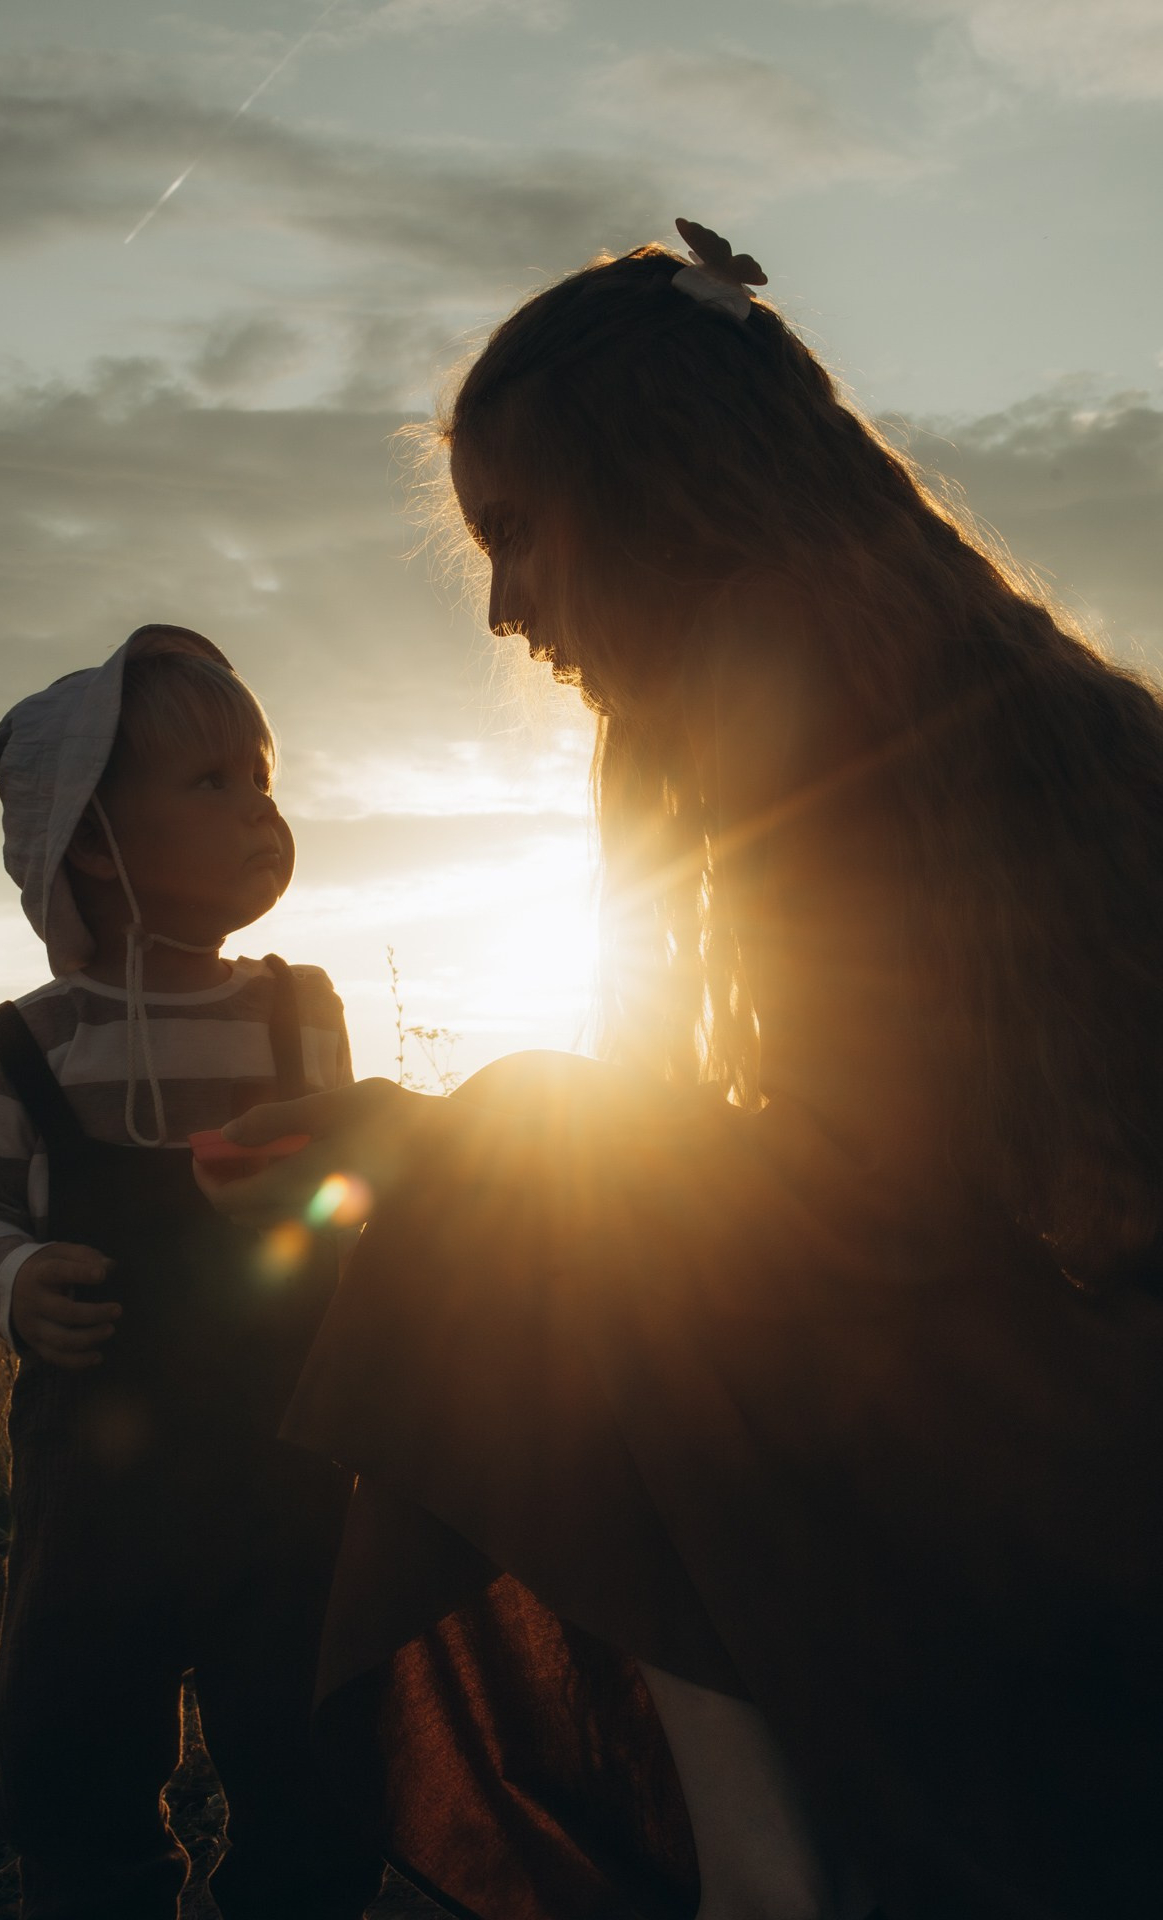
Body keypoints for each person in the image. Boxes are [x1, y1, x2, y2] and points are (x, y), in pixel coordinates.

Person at [206, 223, 1163, 1919]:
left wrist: (470, 1150)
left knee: (503, 1199)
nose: (503, 609)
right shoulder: (998, 673)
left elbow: (865, 1200)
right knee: (525, 1162)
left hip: (1052, 1464)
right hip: (1089, 1416)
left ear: (649, 485)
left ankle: (751, 1870)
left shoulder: (776, 665)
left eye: (516, 535)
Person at [0, 625, 380, 1920]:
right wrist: (14, 1276)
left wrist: (339, 1210)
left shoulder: (297, 1014)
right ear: (88, 836)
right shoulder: (29, 1047)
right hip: (96, 1478)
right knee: (68, 1736)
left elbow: (351, 1188)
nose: (260, 813)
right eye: (211, 785)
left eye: (263, 775)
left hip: (286, 1459)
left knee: (309, 1744)